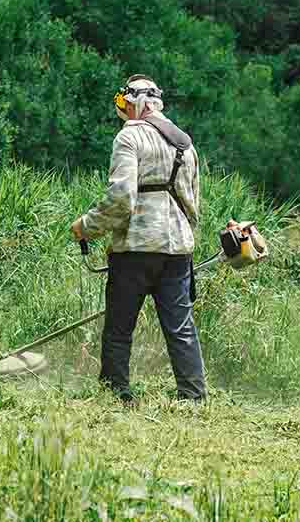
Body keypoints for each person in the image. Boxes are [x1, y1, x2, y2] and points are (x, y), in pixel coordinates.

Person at [70, 74, 206, 403]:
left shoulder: (129, 138)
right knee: (180, 327)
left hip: (135, 247)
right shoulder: (184, 144)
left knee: (119, 327)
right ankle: (193, 396)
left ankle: (116, 394)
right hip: (177, 248)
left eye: (124, 104)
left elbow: (121, 198)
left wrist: (86, 226)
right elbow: (194, 202)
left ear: (133, 102)